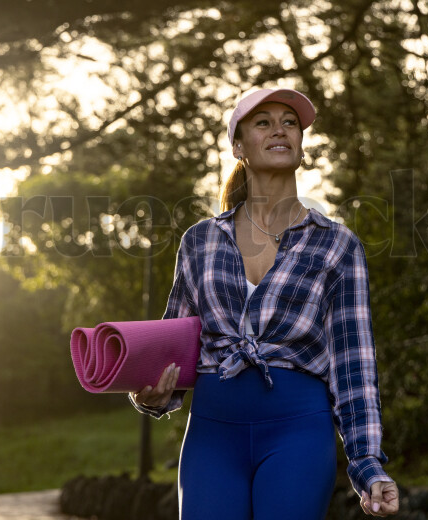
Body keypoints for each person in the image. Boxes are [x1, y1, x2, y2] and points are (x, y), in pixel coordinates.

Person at [130, 87, 399, 519]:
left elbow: (354, 367)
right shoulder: (199, 242)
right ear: (238, 146)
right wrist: (152, 396)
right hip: (211, 438)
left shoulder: (337, 245)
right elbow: (175, 350)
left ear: (301, 145)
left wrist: (367, 465)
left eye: (290, 122)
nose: (280, 129)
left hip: (298, 433)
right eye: (263, 122)